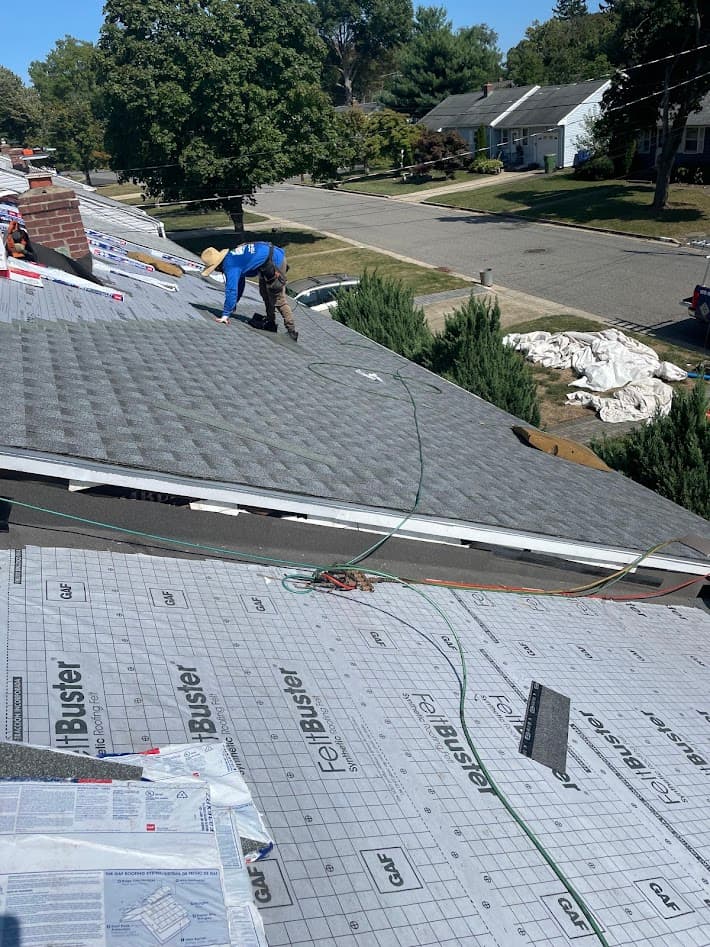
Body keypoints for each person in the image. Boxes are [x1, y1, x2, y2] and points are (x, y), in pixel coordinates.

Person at [201, 242, 298, 340]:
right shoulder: (232, 258)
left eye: (214, 269)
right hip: (265, 263)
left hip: (275, 261)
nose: (216, 271)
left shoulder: (230, 265)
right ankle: (270, 322)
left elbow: (231, 290)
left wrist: (225, 315)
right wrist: (233, 305)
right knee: (264, 293)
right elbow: (240, 283)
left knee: (278, 299)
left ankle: (291, 331)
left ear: (218, 266)